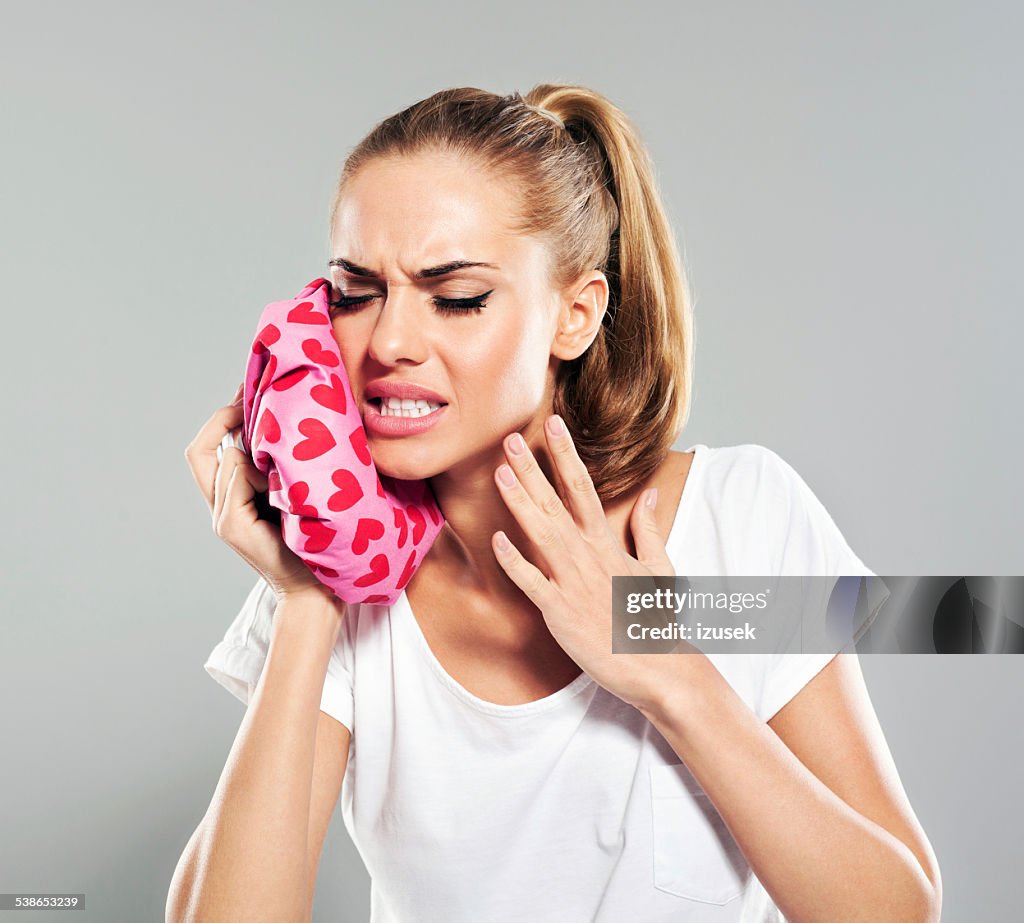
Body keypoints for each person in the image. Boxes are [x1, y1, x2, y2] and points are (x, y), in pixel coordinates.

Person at [169, 85, 942, 923]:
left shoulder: (738, 518)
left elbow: (897, 911)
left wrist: (670, 674)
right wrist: (310, 596)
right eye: (355, 293)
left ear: (574, 315)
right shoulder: (335, 581)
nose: (389, 343)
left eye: (456, 297)